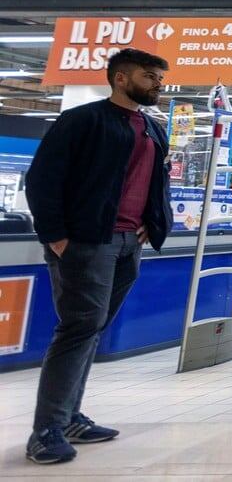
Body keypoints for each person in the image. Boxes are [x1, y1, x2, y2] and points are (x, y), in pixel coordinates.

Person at [23, 49, 172, 465]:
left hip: (129, 242)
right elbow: (43, 179)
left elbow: (154, 183)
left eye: (160, 78)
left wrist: (153, 223)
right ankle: (47, 430)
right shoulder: (83, 120)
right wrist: (56, 236)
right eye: (150, 77)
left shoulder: (152, 127)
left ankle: (69, 418)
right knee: (78, 328)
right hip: (87, 242)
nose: (158, 84)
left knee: (92, 328)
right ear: (121, 79)